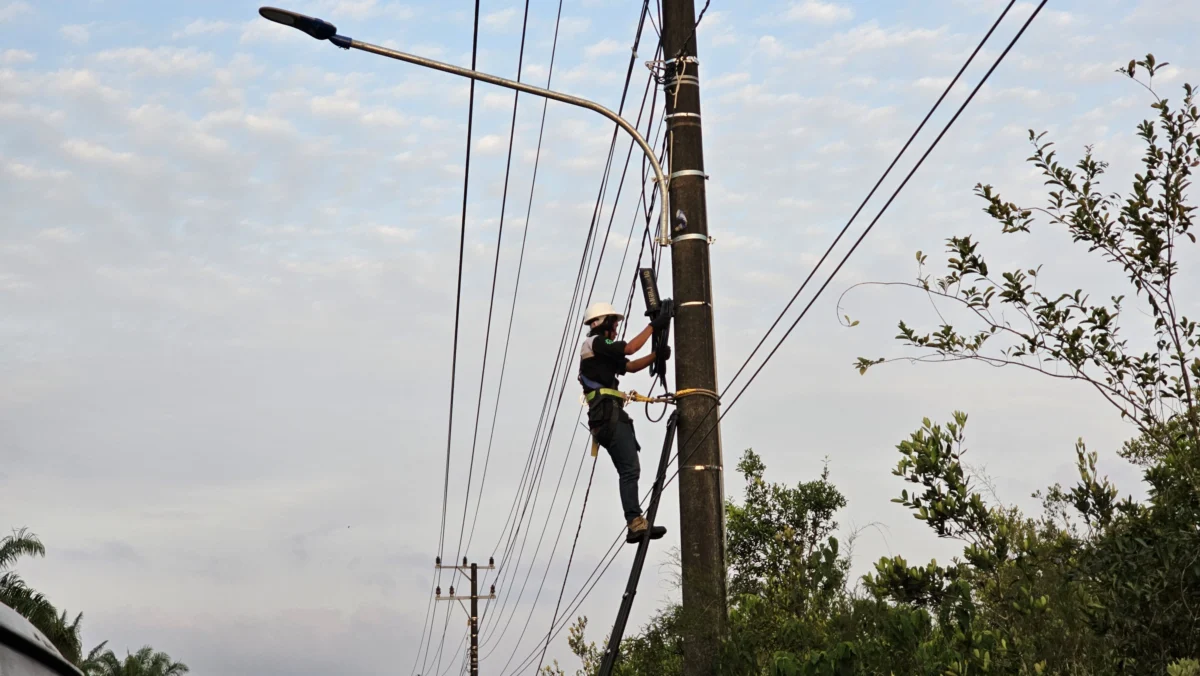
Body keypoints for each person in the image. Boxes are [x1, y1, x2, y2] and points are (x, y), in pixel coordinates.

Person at [578, 300, 673, 543]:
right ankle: (635, 522)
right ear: (602, 324)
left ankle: (635, 521)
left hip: (606, 417)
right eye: (614, 324)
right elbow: (630, 349)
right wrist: (654, 326)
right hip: (608, 416)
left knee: (629, 469)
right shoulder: (596, 342)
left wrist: (655, 356)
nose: (617, 329)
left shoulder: (601, 352)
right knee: (630, 470)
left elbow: (629, 366)